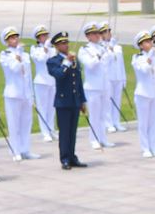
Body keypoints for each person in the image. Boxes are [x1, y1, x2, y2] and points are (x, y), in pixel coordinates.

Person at [47, 32, 87, 169]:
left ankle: (72, 157)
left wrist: (82, 100)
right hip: (63, 102)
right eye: (63, 43)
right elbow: (59, 75)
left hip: (74, 101)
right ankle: (64, 158)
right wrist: (67, 63)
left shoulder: (74, 60)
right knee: (64, 132)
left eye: (66, 42)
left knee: (72, 132)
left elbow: (78, 81)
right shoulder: (53, 61)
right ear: (57, 46)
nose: (66, 45)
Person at [0, 27, 38, 162]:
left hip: (25, 93)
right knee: (14, 124)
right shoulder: (5, 54)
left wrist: (31, 95)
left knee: (26, 123)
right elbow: (14, 69)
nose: (15, 39)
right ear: (7, 41)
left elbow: (28, 76)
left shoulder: (24, 55)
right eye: (12, 38)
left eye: (16, 37)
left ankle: (25, 149)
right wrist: (18, 58)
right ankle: (15, 150)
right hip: (13, 93)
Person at [78, 24, 115, 150]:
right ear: (88, 36)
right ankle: (94, 139)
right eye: (94, 34)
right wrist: (99, 56)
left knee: (103, 114)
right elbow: (90, 65)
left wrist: (108, 51)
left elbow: (110, 62)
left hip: (104, 85)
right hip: (93, 87)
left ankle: (103, 138)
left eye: (98, 33)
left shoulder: (102, 47)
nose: (97, 35)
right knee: (94, 115)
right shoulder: (84, 50)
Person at [130, 31, 155, 157]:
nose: (150, 43)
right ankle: (145, 148)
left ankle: (153, 147)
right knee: (143, 123)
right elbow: (144, 70)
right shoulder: (137, 58)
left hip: (154, 93)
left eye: (150, 41)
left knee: (153, 122)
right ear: (140, 45)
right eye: (146, 42)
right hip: (143, 93)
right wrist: (149, 60)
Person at [29, 26, 59, 145]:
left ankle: (51, 129)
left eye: (46, 35)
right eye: (42, 36)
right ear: (38, 38)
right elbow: (41, 60)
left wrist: (49, 48)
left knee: (52, 107)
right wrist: (45, 48)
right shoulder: (34, 49)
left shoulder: (52, 49)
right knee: (42, 107)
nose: (45, 37)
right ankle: (45, 132)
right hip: (41, 81)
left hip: (52, 81)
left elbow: (55, 61)